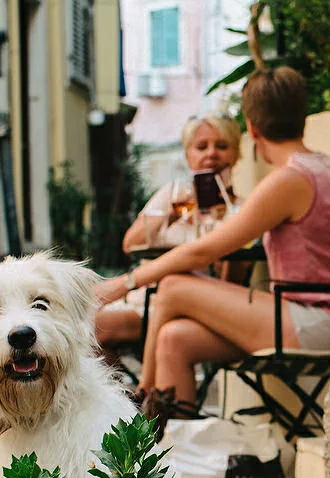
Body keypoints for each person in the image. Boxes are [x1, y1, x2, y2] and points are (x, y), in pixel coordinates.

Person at [93, 68, 330, 412]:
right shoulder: (326, 167)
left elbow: (205, 250)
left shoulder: (290, 180)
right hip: (324, 316)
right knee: (174, 339)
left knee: (172, 287)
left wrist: (123, 284)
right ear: (302, 118)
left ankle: (143, 396)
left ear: (251, 129)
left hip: (328, 321)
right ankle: (176, 452)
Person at [96, 115, 243, 349]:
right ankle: (121, 387)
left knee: (95, 328)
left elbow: (231, 281)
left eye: (222, 146)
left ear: (236, 154)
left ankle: (131, 387)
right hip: (142, 298)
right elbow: (130, 244)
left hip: (189, 306)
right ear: (188, 156)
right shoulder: (172, 196)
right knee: (81, 326)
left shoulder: (240, 211)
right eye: (201, 147)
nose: (211, 154)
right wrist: (173, 214)